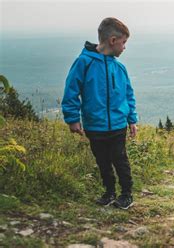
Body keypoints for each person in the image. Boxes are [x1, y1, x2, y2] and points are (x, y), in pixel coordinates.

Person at [61, 17, 138, 210]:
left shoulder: (119, 67)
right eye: (124, 43)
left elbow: (129, 94)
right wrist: (72, 118)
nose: (124, 47)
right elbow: (71, 90)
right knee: (103, 161)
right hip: (95, 126)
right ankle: (109, 192)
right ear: (113, 40)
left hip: (118, 125)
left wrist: (132, 120)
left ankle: (126, 194)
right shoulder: (84, 63)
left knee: (120, 159)